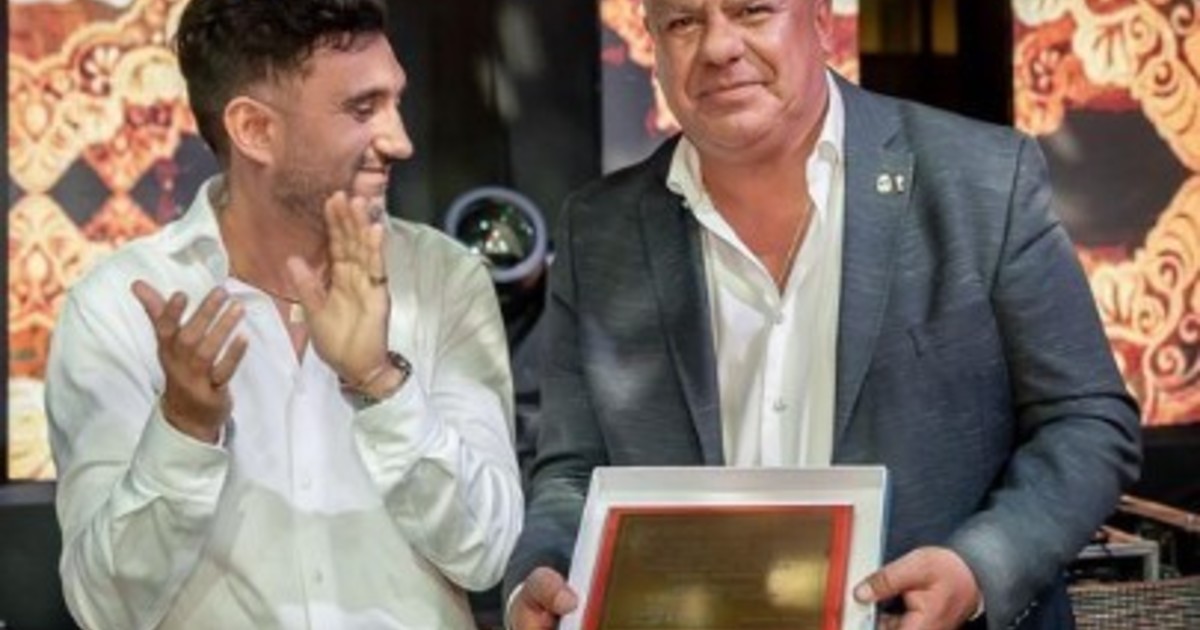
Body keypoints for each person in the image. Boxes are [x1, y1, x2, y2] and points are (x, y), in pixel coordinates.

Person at [503, 1, 1141, 629]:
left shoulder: (980, 180)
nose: (718, 47)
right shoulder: (600, 229)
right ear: (653, 43)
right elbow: (573, 470)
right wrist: (541, 571)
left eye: (753, 11)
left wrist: (978, 568)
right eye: (684, 22)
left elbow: (1086, 420)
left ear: (821, 20)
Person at [45, 0, 522, 628]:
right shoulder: (119, 308)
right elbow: (105, 608)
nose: (399, 141)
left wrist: (380, 382)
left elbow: (486, 553)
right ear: (254, 129)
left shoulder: (443, 281)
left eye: (396, 101)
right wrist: (184, 431)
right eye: (363, 109)